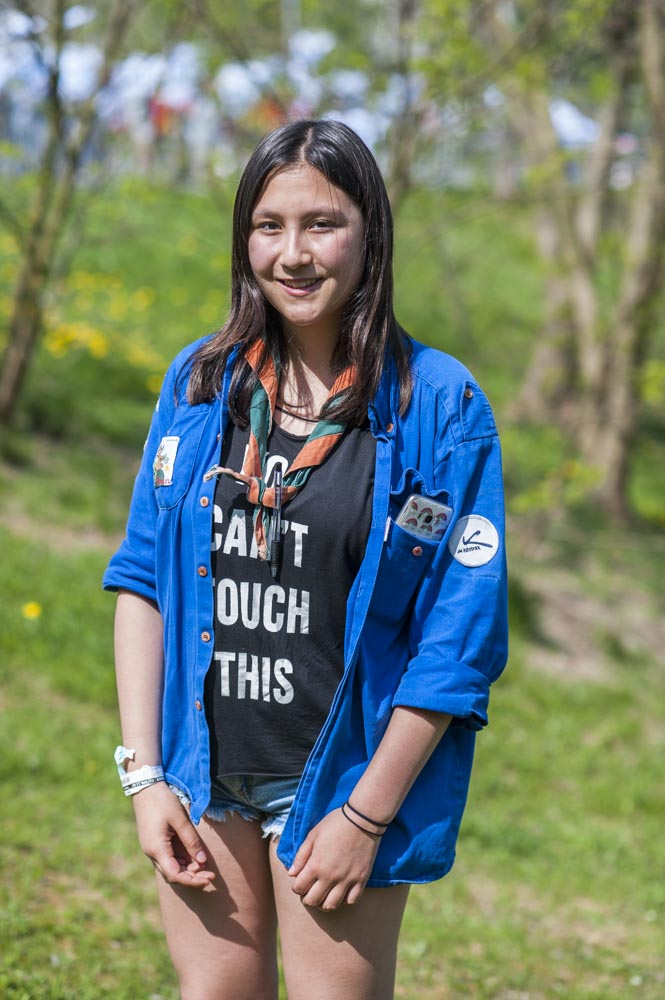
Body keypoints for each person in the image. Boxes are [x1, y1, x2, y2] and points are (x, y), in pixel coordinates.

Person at [104, 118, 508, 1000]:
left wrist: (365, 815)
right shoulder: (202, 381)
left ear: (371, 233)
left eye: (321, 223)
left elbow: (458, 642)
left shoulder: (438, 404)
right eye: (267, 225)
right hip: (201, 767)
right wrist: (145, 777)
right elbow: (141, 580)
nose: (292, 253)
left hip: (336, 781)